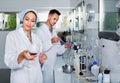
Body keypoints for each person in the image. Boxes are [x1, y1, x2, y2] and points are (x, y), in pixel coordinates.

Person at [4, 9, 47, 83]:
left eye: (33, 21)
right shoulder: (12, 36)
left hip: (36, 77)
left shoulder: (37, 38)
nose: (29, 23)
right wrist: (22, 56)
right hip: (21, 78)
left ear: (35, 23)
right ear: (22, 19)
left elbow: (38, 59)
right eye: (27, 19)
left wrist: (41, 60)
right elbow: (9, 61)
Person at [35, 9, 71, 83]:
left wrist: (65, 46)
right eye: (54, 19)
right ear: (49, 16)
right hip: (45, 65)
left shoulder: (54, 32)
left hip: (53, 64)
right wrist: (50, 41)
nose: (55, 21)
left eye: (57, 20)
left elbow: (57, 50)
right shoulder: (39, 31)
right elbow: (38, 49)